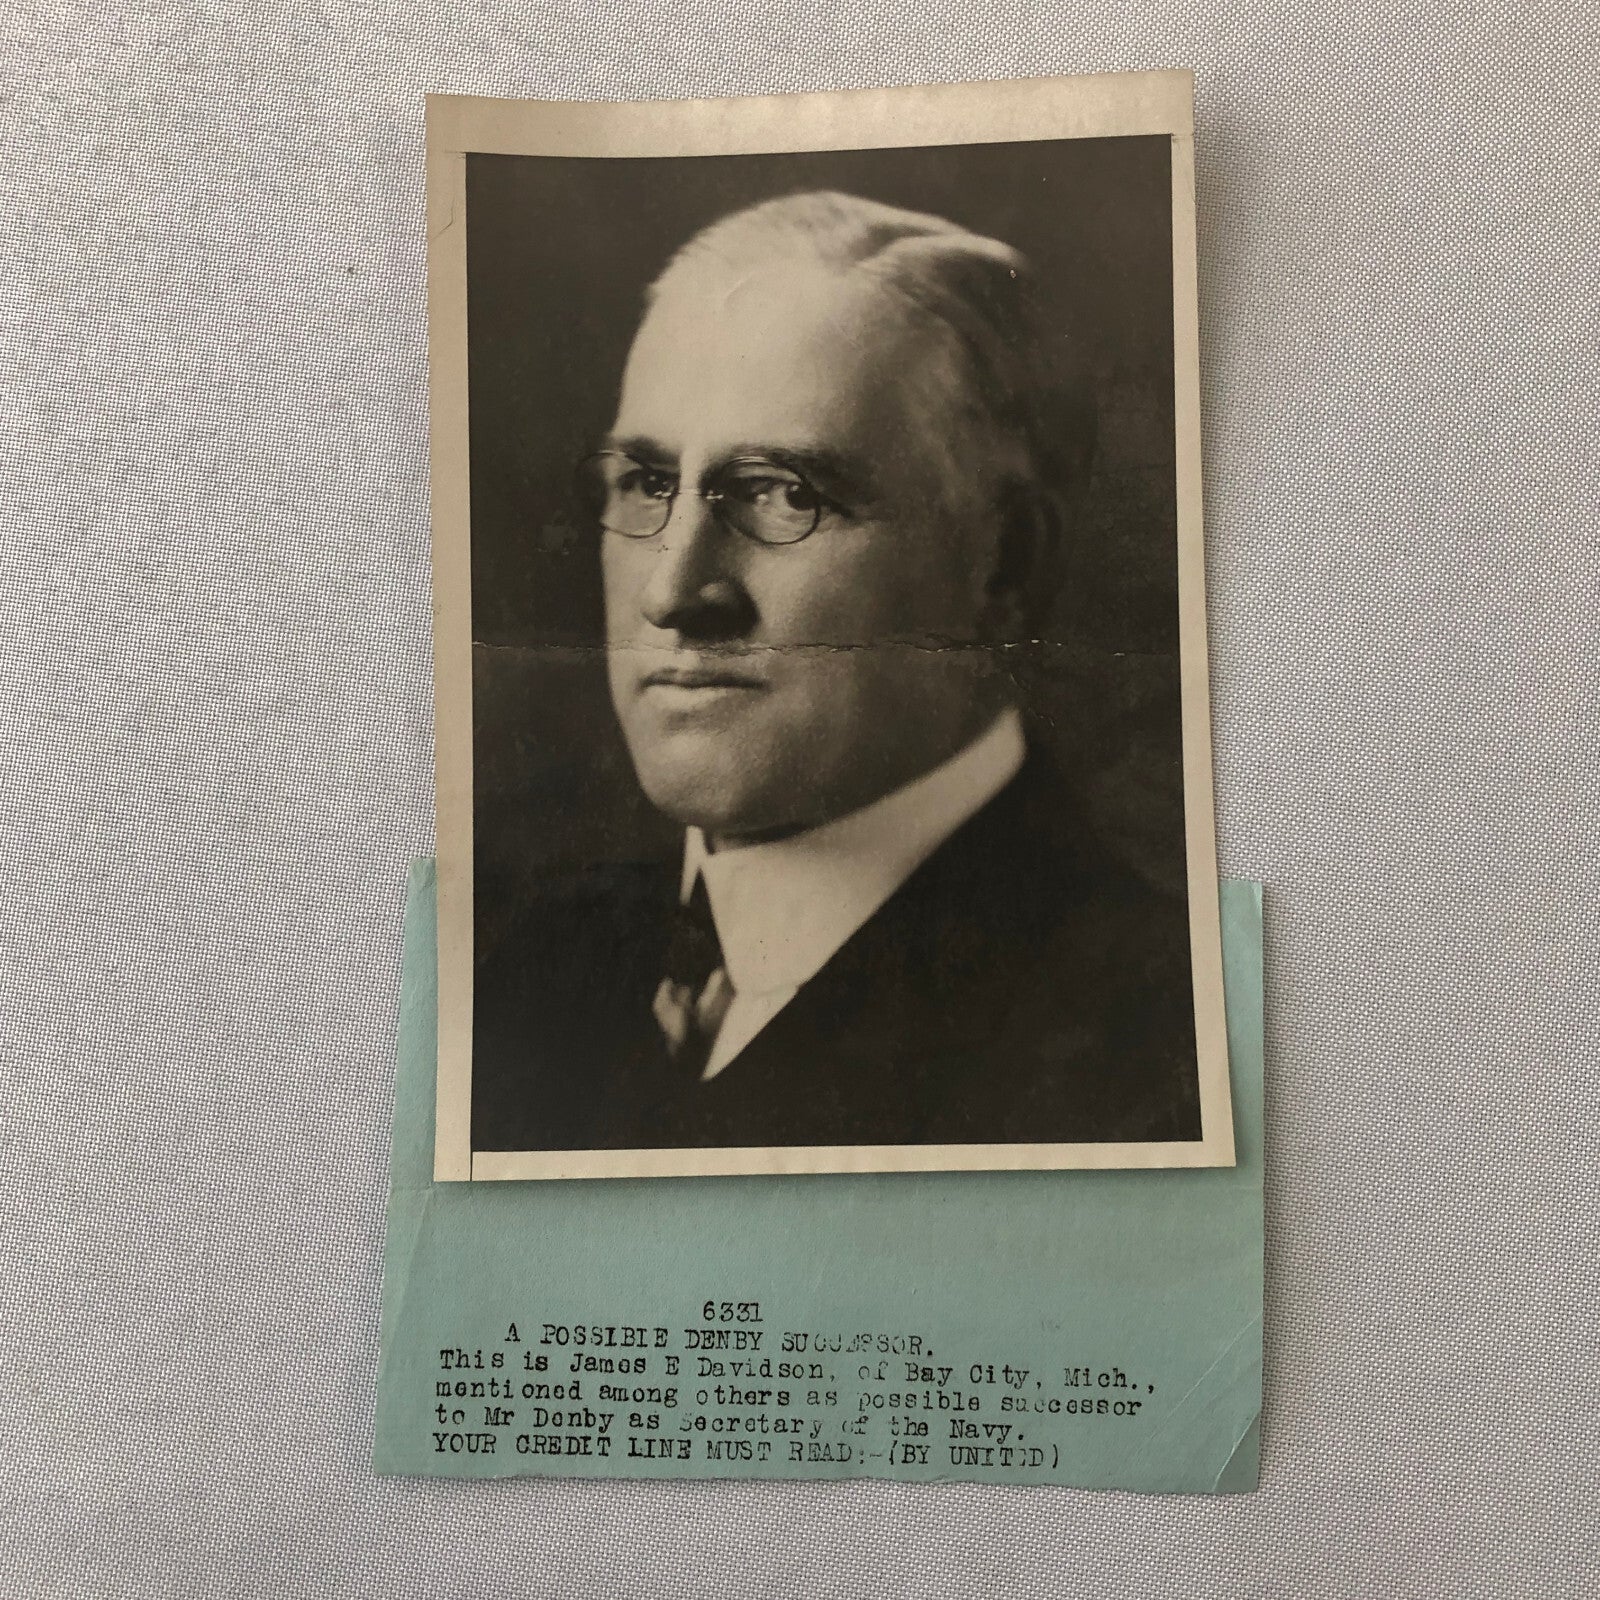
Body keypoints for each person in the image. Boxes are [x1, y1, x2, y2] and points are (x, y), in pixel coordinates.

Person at [473, 190, 1199, 1155]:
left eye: (783, 494)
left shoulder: (1154, 1056)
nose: (673, 591)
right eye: (648, 484)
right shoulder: (522, 967)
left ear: (1006, 565)